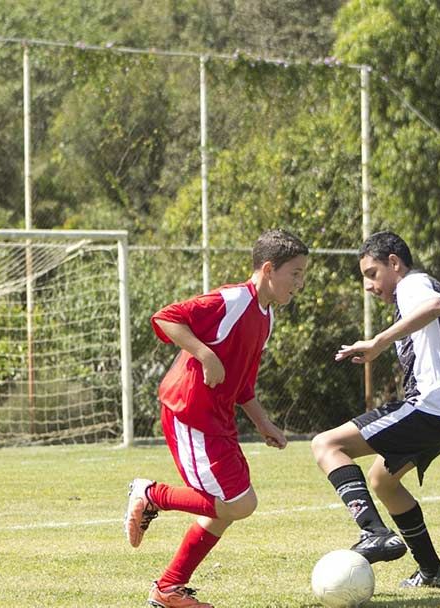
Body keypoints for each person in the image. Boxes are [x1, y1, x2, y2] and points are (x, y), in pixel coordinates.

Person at [123, 229, 309, 608]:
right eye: (296, 273)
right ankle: (149, 493)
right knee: (239, 503)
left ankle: (169, 589)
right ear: (269, 269)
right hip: (189, 411)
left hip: (218, 420)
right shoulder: (233, 299)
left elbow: (242, 384)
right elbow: (166, 318)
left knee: (226, 508)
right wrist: (204, 354)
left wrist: (263, 423)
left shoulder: (266, 319)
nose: (300, 284)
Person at [310, 231, 440, 589]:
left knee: (326, 445)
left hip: (427, 408)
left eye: (371, 273)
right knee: (383, 481)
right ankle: (434, 572)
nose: (368, 285)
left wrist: (379, 342)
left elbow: (433, 307)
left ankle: (374, 532)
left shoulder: (414, 286)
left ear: (394, 263)